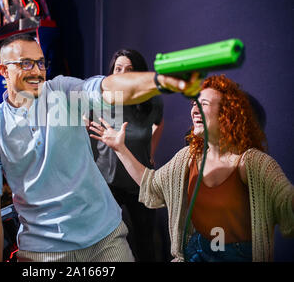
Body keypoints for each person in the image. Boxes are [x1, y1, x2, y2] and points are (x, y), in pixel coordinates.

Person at [0, 33, 202, 262]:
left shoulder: (61, 91)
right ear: (3, 70)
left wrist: (160, 81)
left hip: (105, 239)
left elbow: (108, 89)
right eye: (26, 63)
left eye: (40, 62)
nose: (36, 71)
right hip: (43, 251)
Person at [89, 74, 294, 262]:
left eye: (203, 104)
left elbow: (287, 203)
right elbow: (151, 185)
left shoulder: (252, 163)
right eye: (193, 104)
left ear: (227, 114)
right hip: (195, 254)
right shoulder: (188, 158)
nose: (194, 110)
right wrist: (119, 148)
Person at [91, 49, 164, 261]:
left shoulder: (152, 101)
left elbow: (159, 123)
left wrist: (150, 152)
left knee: (144, 244)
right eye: (118, 68)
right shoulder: (99, 98)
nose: (122, 74)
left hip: (139, 185)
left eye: (130, 70)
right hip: (107, 184)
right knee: (104, 244)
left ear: (138, 74)